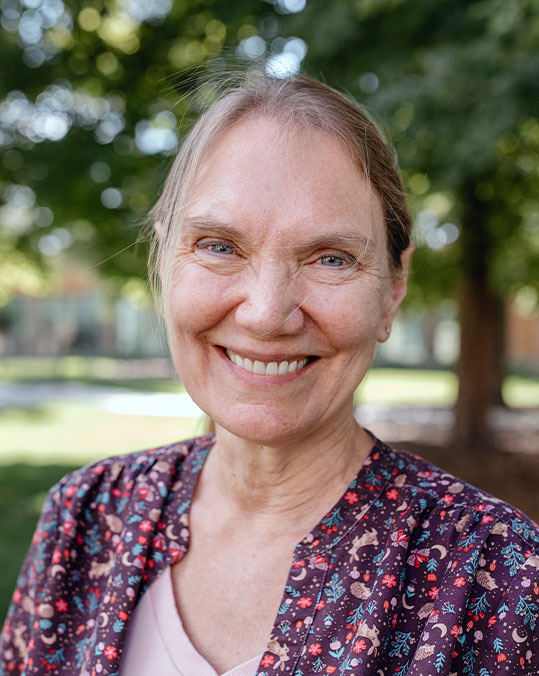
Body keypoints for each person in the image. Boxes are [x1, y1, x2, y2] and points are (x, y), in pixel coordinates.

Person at [1, 73, 538, 676]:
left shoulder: (499, 577)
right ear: (163, 258)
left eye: (331, 258)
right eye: (219, 246)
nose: (266, 313)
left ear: (392, 288)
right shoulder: (86, 518)